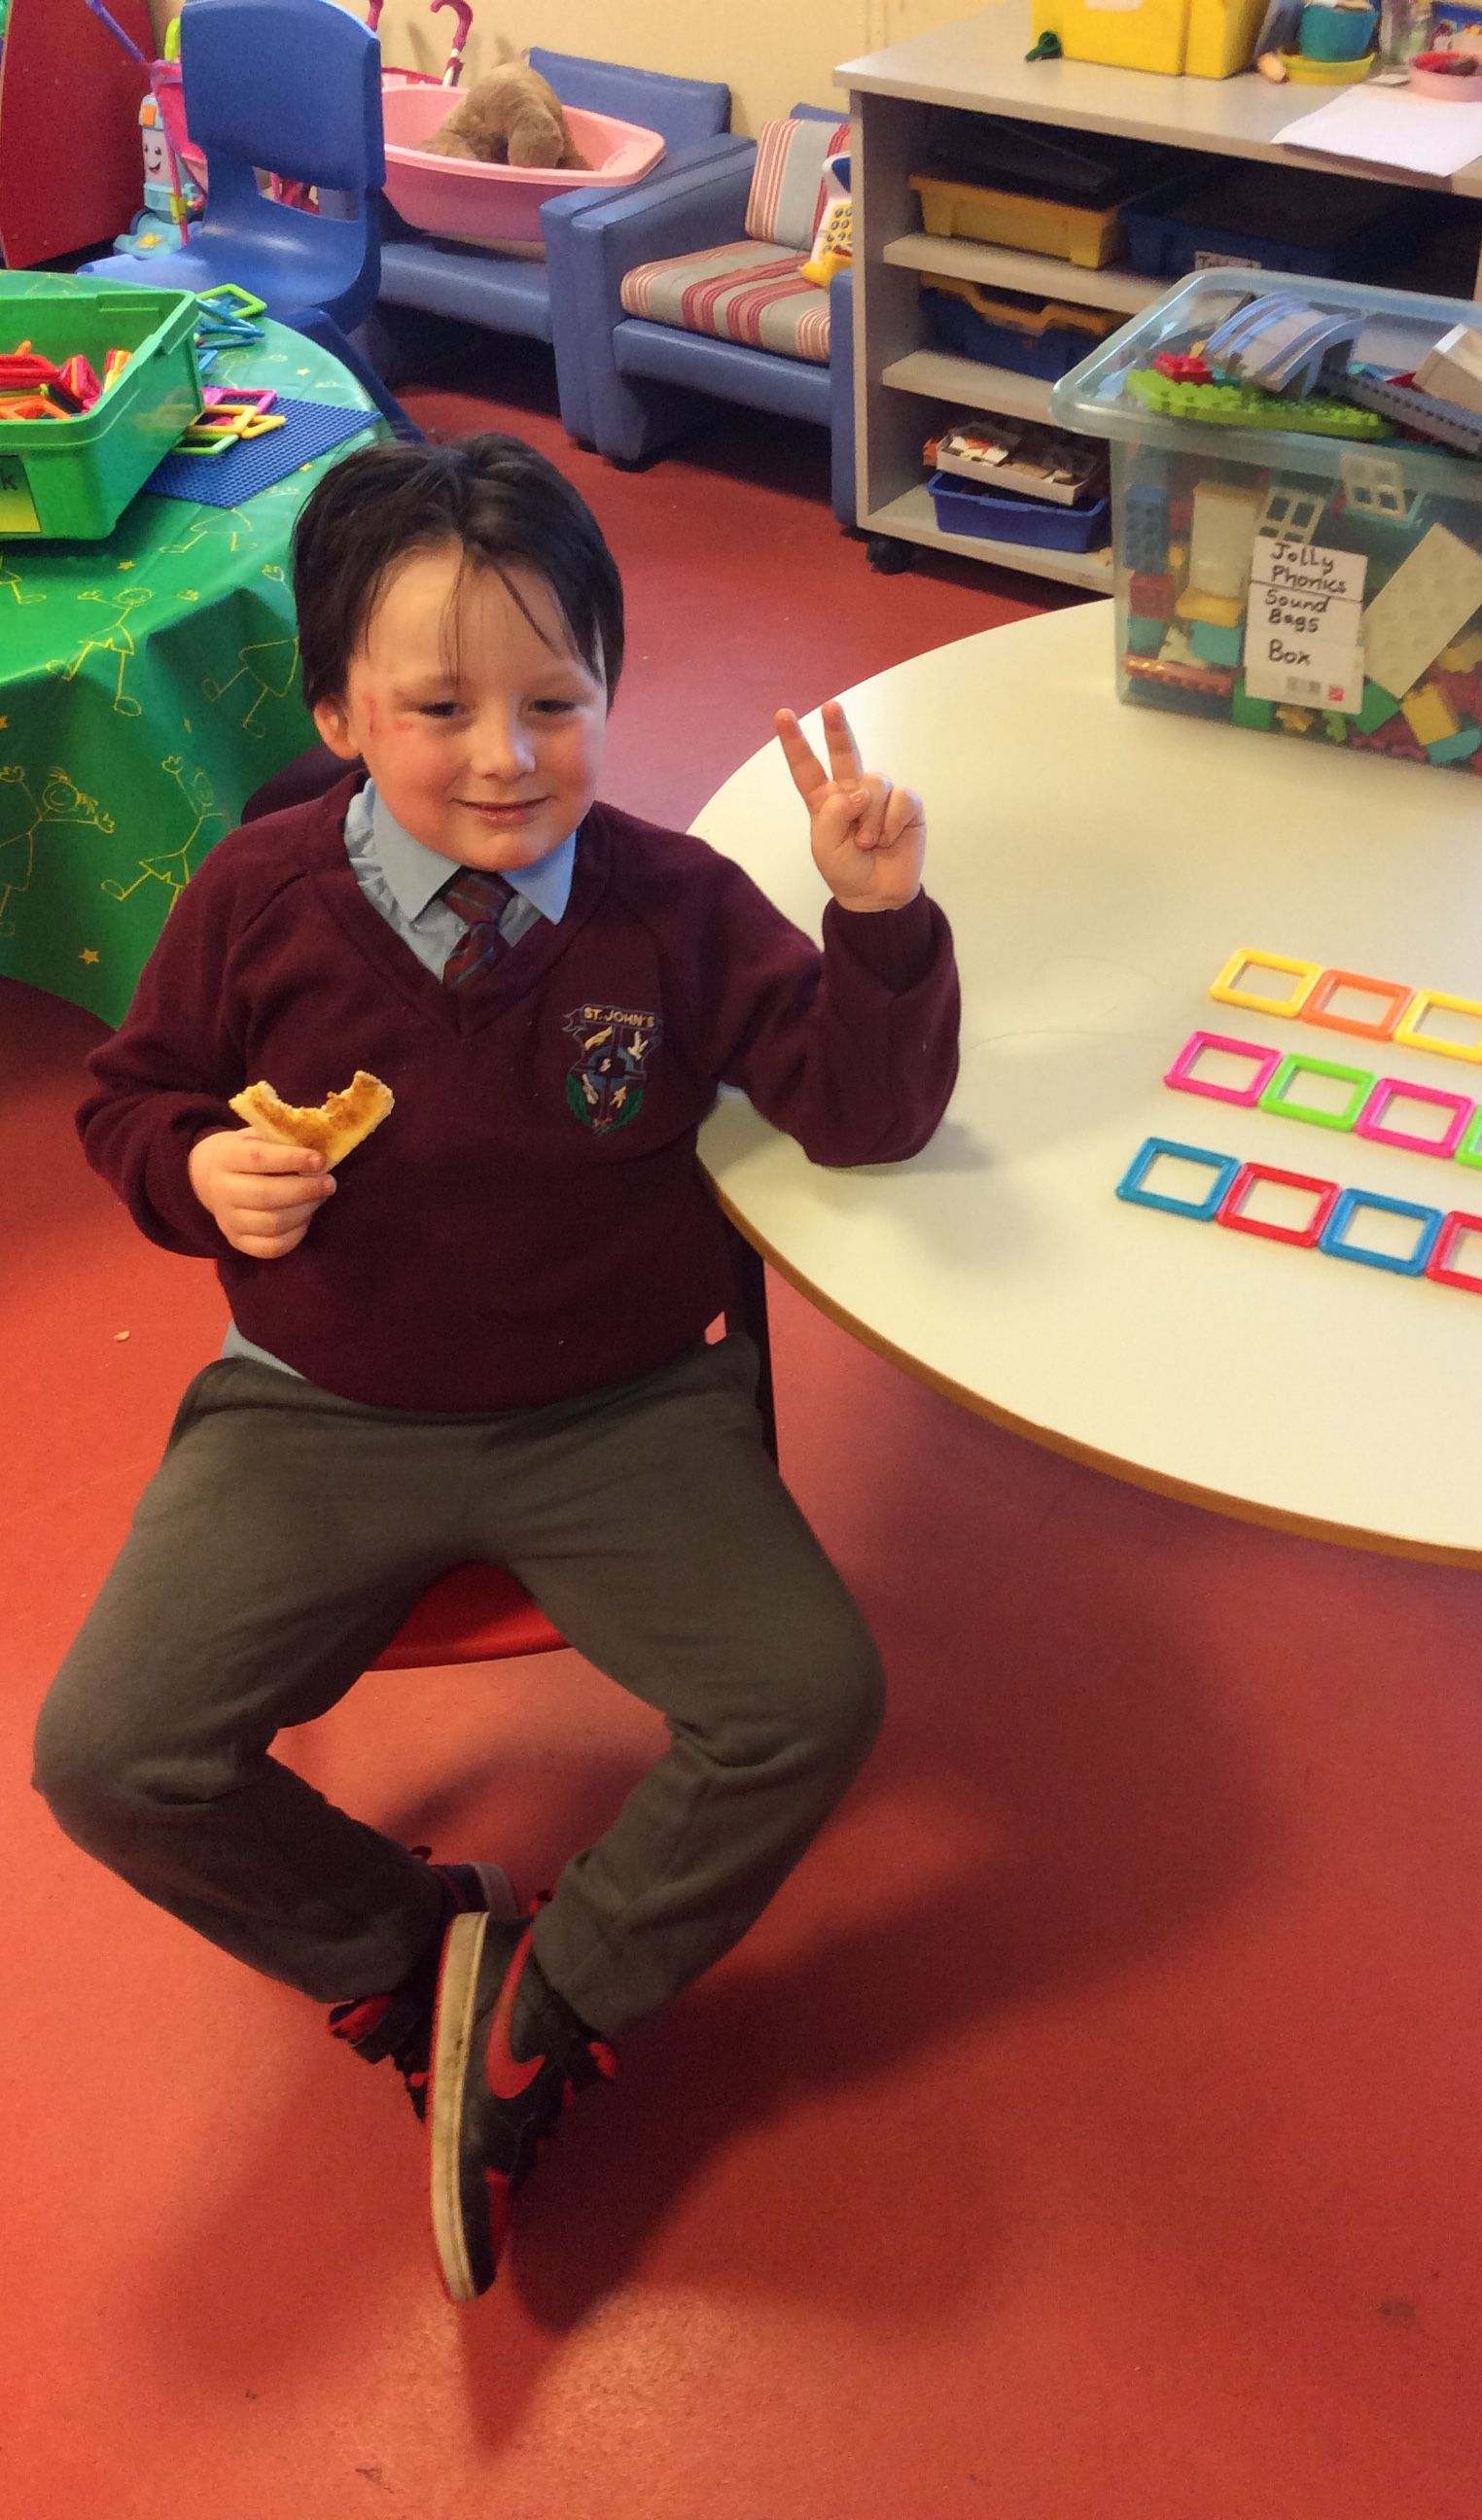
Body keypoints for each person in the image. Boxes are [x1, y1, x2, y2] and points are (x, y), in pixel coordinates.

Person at [32, 433, 960, 2304]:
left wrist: (877, 921)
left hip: (622, 1410)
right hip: (317, 1412)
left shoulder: (675, 905)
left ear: (611, 684)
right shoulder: (259, 897)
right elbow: (132, 1099)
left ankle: (552, 2003)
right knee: (107, 1759)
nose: (506, 756)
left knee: (812, 1699)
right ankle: (409, 1952)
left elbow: (862, 1114)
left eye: (556, 698)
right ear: (338, 712)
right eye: (438, 707)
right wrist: (197, 1171)